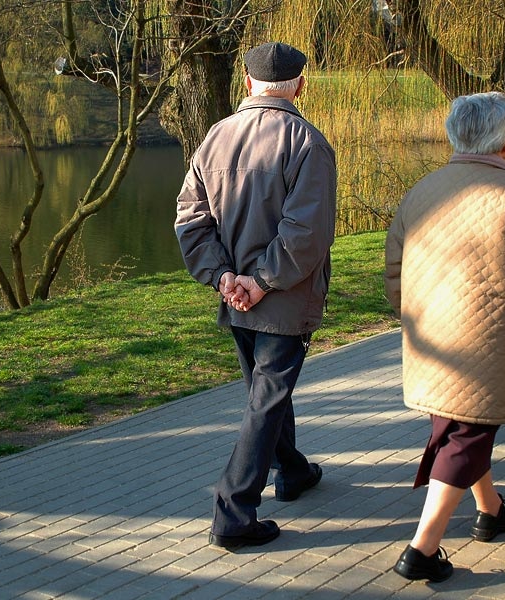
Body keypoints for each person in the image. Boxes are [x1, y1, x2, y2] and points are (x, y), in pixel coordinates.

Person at [384, 91, 505, 582]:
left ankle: (491, 510)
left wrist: (415, 322)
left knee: (460, 426)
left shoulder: (420, 192)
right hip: (493, 343)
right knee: (466, 434)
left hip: (433, 343)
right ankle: (421, 551)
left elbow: (395, 273)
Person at [175, 42, 337, 550]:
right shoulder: (308, 142)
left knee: (266, 395)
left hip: (237, 298)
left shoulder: (215, 137)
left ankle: (291, 471)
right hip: (280, 300)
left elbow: (191, 218)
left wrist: (223, 278)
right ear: (300, 85)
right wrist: (260, 282)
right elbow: (306, 233)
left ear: (247, 83)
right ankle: (233, 513)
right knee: (265, 402)